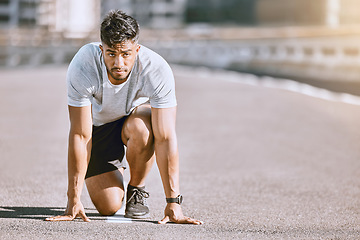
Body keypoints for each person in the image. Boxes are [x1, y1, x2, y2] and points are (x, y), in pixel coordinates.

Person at [45, 10, 202, 225]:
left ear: (137, 49)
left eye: (126, 54)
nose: (119, 62)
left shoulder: (156, 69)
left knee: (144, 127)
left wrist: (173, 202)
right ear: (101, 50)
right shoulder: (84, 65)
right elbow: (81, 136)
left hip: (134, 119)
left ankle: (136, 189)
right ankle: (114, 171)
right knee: (108, 207)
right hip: (98, 128)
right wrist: (73, 199)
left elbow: (165, 137)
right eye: (111, 54)